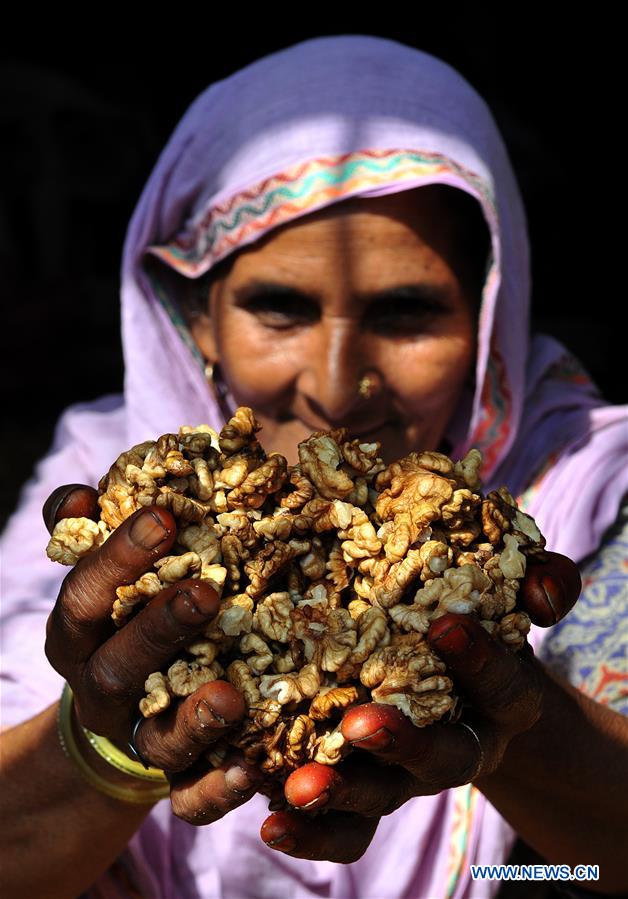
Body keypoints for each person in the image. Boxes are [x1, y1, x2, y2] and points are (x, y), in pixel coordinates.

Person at [1, 34, 627, 899]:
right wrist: (103, 745)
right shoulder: (110, 489)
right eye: (280, 307)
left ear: (488, 318)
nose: (338, 391)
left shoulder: (590, 485)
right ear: (199, 317)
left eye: (406, 313)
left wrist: (517, 741)